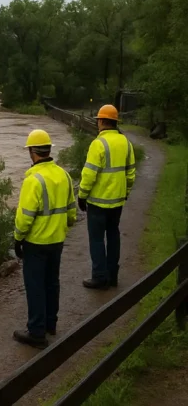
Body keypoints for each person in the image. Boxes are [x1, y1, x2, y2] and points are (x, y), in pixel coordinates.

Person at [13, 129, 77, 349]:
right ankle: (50, 324)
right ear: (49, 149)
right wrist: (64, 226)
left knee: (35, 286)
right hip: (57, 240)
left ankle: (37, 332)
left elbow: (25, 218)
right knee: (52, 282)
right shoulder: (64, 175)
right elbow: (71, 211)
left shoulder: (33, 180)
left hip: (36, 242)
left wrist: (17, 238)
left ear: (32, 151)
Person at [78, 104, 136, 289]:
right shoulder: (125, 142)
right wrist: (124, 193)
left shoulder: (98, 144)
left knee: (96, 239)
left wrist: (82, 195)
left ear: (102, 121)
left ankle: (99, 277)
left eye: (98, 121)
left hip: (97, 203)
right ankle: (112, 276)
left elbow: (89, 174)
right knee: (113, 236)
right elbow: (131, 173)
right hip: (117, 201)